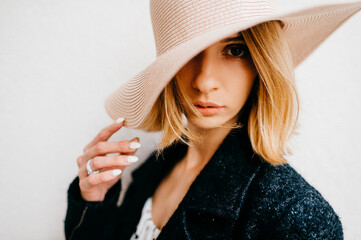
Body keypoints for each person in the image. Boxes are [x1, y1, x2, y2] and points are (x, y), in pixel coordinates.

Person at [64, 0, 361, 239]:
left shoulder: (293, 217)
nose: (205, 80)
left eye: (235, 50)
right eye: (189, 53)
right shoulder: (156, 166)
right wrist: (93, 201)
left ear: (263, 62)